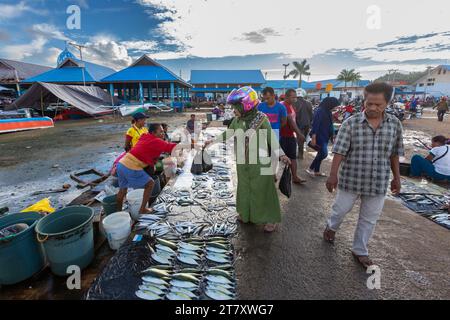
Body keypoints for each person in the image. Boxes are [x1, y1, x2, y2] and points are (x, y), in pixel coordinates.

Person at [323, 82, 404, 269]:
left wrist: (397, 178)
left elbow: (394, 154)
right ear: (364, 102)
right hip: (351, 179)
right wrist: (332, 175)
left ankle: (360, 249)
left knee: (369, 218)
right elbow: (339, 152)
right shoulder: (350, 123)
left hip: (378, 182)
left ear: (388, 104)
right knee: (340, 209)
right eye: (370, 104)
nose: (373, 108)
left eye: (379, 105)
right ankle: (331, 227)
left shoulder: (395, 125)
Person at [205, 86, 291, 233]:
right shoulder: (237, 120)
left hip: (260, 162)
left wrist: (281, 154)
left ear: (246, 106)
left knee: (264, 190)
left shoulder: (261, 118)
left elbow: (271, 138)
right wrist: (212, 141)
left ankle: (271, 218)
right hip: (242, 162)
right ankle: (246, 214)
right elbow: (228, 134)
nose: (233, 110)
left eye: (236, 107)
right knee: (245, 189)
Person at [116, 123, 179, 215]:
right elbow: (171, 147)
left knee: (122, 191)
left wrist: (152, 163)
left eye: (163, 131)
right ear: (153, 132)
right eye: (160, 131)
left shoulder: (145, 137)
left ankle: (118, 212)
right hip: (130, 166)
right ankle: (142, 209)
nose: (163, 133)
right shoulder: (156, 141)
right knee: (150, 183)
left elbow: (146, 151)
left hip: (121, 164)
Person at [306, 97, 340, 177]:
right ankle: (310, 168)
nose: (335, 107)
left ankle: (317, 171)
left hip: (325, 136)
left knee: (320, 153)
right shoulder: (320, 111)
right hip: (319, 136)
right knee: (324, 153)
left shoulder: (327, 111)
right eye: (334, 105)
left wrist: (333, 134)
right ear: (330, 104)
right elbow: (315, 125)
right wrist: (314, 138)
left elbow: (330, 124)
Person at [280, 89, 306, 183]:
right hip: (283, 136)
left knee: (293, 157)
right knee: (279, 157)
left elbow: (294, 120)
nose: (295, 99)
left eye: (295, 97)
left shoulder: (291, 105)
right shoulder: (283, 105)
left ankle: (295, 177)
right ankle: (274, 177)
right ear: (286, 97)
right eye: (293, 97)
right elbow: (290, 120)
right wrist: (299, 134)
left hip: (290, 135)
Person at [294, 91, 313, 159]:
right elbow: (311, 115)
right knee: (303, 138)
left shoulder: (295, 103)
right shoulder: (309, 103)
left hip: (299, 124)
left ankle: (300, 154)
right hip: (307, 124)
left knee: (300, 139)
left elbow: (295, 115)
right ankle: (301, 153)